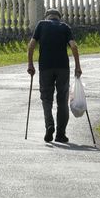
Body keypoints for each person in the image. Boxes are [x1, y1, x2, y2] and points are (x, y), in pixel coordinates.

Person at [26, 8, 82, 143]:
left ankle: (49, 125)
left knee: (46, 99)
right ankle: (60, 134)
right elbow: (74, 46)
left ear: (47, 17)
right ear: (59, 18)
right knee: (62, 100)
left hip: (45, 67)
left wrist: (30, 65)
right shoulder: (65, 27)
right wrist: (78, 66)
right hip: (63, 67)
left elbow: (31, 45)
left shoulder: (41, 25)